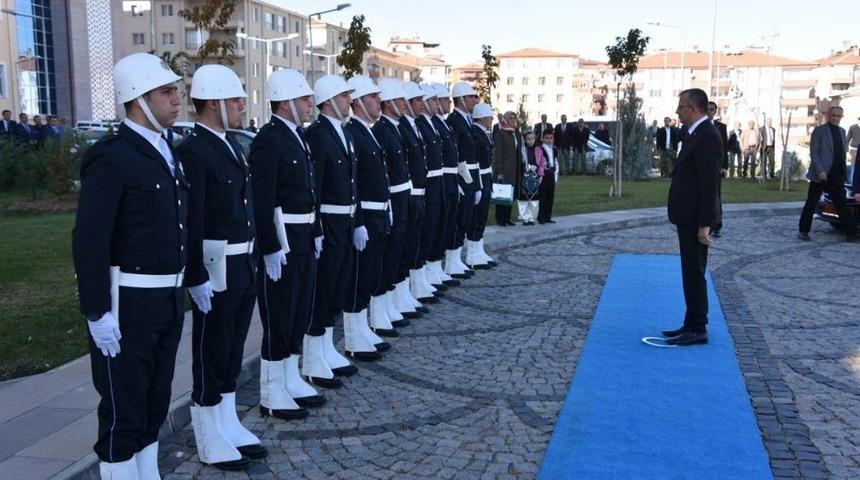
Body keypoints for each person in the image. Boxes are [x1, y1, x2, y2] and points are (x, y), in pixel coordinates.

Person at [72, 52, 186, 479]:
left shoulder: (165, 150)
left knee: (155, 402)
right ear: (138, 98)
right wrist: (97, 312)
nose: (177, 100)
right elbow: (89, 239)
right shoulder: (113, 156)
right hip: (128, 307)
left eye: (176, 91)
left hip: (166, 300)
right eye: (167, 92)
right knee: (123, 410)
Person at [178, 65, 264, 471]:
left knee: (231, 349)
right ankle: (209, 434)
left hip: (240, 262)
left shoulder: (227, 144)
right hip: (215, 268)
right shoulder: (195, 151)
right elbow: (192, 222)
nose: (242, 105)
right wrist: (194, 276)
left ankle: (227, 422)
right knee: (211, 351)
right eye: (235, 100)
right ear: (213, 103)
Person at [249, 68, 324, 422]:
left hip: (304, 235)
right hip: (283, 239)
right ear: (285, 102)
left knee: (298, 311)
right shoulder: (268, 139)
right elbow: (261, 199)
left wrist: (317, 229)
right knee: (279, 315)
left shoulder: (297, 136)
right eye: (305, 99)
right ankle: (270, 391)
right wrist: (270, 247)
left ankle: (289, 377)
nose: (311, 105)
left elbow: (311, 191)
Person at [305, 74, 360, 389]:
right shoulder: (319, 134)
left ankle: (326, 349)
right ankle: (313, 358)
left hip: (345, 221)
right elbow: (316, 187)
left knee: (336, 289)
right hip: (328, 222)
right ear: (327, 101)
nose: (348, 102)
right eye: (343, 97)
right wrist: (317, 228)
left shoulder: (342, 133)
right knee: (323, 292)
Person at [663, 88, 721, 346]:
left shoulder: (708, 135)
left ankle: (698, 327)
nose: (678, 111)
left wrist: (705, 224)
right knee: (690, 271)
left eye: (681, 107)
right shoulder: (694, 133)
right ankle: (691, 322)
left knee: (695, 271)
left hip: (696, 216)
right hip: (687, 214)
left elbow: (710, 184)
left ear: (694, 108)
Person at [342, 74, 392, 359]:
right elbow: (354, 184)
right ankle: (353, 335)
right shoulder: (354, 133)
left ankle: (361, 329)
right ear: (359, 102)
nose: (379, 102)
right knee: (360, 277)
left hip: (378, 212)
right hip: (366, 215)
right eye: (374, 97)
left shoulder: (366, 132)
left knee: (370, 273)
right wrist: (359, 220)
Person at [373, 79, 416, 329]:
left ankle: (392, 301)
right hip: (391, 200)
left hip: (403, 196)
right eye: (400, 100)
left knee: (399, 251)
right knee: (389, 256)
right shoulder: (381, 130)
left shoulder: (395, 128)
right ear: (389, 103)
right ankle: (381, 309)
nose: (404, 104)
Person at [399, 82, 437, 304]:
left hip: (419, 190)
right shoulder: (403, 126)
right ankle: (407, 290)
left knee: (420, 239)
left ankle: (414, 284)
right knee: (409, 243)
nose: (422, 105)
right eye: (417, 102)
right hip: (409, 193)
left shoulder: (414, 125)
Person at [797, 106, 858, 242]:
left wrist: (843, 172)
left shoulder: (842, 131)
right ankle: (803, 231)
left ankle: (851, 233)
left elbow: (842, 153)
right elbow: (814, 152)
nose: (836, 118)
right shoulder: (819, 131)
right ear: (828, 115)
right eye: (833, 115)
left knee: (842, 204)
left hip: (836, 175)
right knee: (811, 203)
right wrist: (821, 171)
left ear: (841, 117)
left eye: (838, 116)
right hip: (821, 175)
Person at [415, 84, 451, 291]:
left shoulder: (433, 123)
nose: (438, 104)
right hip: (429, 184)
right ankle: (424, 274)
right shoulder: (421, 124)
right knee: (427, 230)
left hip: (440, 182)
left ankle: (433, 268)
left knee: (438, 227)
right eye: (434, 100)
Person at [445, 81, 481, 279]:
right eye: (470, 98)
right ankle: (451, 261)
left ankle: (456, 258)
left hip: (470, 176)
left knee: (465, 219)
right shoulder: (454, 120)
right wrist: (463, 180)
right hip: (461, 176)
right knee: (458, 221)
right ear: (460, 100)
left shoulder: (466, 120)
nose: (474, 101)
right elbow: (457, 153)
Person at [430, 82, 462, 288]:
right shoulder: (433, 124)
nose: (446, 103)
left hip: (446, 180)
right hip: (435, 183)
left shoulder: (441, 123)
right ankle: (429, 272)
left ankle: (435, 269)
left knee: (444, 227)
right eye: (442, 100)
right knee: (433, 231)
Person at [465, 102, 495, 269]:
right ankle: (472, 254)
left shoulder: (482, 132)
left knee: (482, 216)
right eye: (490, 117)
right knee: (477, 217)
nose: (491, 120)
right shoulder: (476, 133)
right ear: (483, 118)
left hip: (485, 175)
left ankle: (478, 249)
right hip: (480, 176)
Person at [492, 111, 520, 227]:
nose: (513, 120)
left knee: (510, 193)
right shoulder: (501, 133)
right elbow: (498, 154)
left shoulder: (515, 133)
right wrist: (499, 172)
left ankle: (507, 217)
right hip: (504, 169)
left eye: (515, 118)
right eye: (511, 118)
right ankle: (500, 218)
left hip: (514, 168)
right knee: (502, 193)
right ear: (506, 119)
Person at [707, 102, 728, 238]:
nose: (709, 112)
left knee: (716, 196)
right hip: (702, 167)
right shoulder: (698, 126)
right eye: (707, 109)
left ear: (715, 112)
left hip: (716, 167)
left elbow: (724, 148)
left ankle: (717, 225)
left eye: (712, 110)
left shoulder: (721, 127)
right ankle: (705, 224)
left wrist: (724, 166)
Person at [518, 129, 544, 225]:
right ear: (525, 140)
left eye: (532, 138)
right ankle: (524, 217)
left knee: (534, 198)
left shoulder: (538, 150)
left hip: (534, 176)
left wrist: (541, 175)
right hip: (524, 176)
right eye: (528, 139)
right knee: (524, 198)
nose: (530, 141)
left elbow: (541, 163)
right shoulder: (522, 150)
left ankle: (532, 217)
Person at [537, 128, 559, 224]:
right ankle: (541, 217)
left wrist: (556, 176)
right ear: (543, 138)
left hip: (552, 173)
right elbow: (538, 162)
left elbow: (556, 163)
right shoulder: (540, 149)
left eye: (551, 138)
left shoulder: (554, 149)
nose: (549, 140)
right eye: (547, 138)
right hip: (544, 173)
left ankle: (548, 217)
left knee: (550, 196)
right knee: (542, 196)